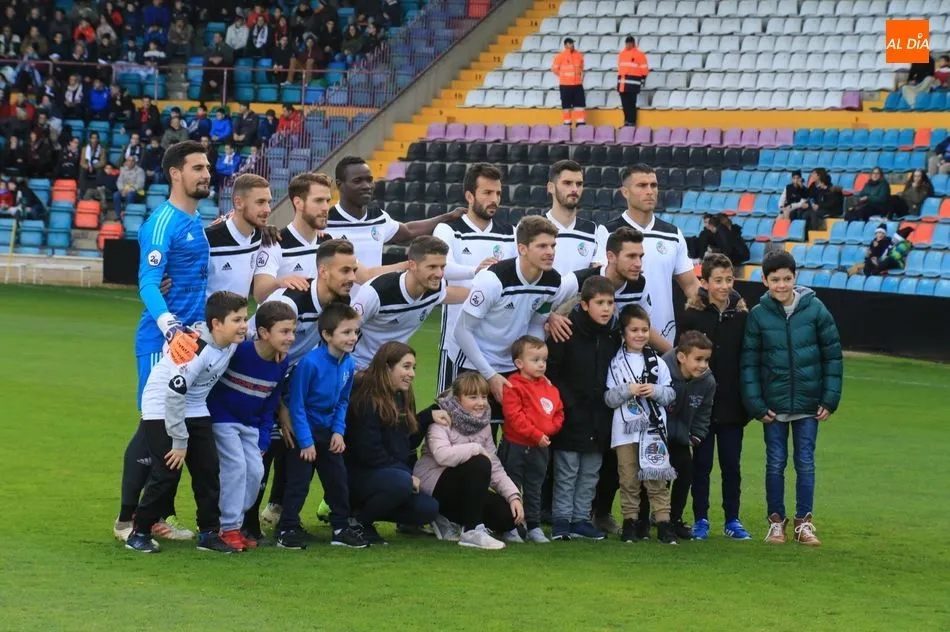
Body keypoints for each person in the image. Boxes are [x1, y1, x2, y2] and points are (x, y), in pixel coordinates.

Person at [114, 141, 212, 543]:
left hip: (192, 342)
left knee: (173, 429)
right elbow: (148, 283)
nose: (206, 174)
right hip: (162, 339)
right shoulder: (161, 222)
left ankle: (154, 516)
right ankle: (126, 521)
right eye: (197, 168)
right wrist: (170, 326)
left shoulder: (197, 221)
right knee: (153, 428)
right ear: (175, 173)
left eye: (207, 168)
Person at [247, 238, 359, 536]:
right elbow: (249, 341)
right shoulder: (290, 301)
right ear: (323, 272)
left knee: (291, 447)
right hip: (256, 383)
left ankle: (279, 514)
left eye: (354, 270)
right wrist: (278, 404)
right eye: (345, 270)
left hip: (288, 387)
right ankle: (245, 526)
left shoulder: (339, 305)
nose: (352, 278)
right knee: (264, 450)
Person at [124, 291, 249, 553]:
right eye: (237, 320)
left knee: (208, 470)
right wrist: (180, 442)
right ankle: (139, 532)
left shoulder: (233, 340)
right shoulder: (195, 349)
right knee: (167, 472)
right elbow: (173, 394)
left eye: (245, 319)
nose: (244, 326)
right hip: (161, 406)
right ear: (216, 324)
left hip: (194, 406)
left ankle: (208, 534)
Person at [741, 251, 843, 546]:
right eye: (775, 279)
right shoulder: (759, 316)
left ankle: (804, 523)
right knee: (775, 463)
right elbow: (749, 364)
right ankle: (776, 522)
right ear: (764, 280)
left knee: (806, 463)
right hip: (773, 407)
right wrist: (756, 404)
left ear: (795, 277)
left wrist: (829, 399)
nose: (782, 285)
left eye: (787, 278)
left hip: (809, 405)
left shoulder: (816, 310)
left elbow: (832, 356)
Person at [447, 215, 575, 417]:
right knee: (469, 434)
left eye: (553, 246)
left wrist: (530, 362)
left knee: (513, 433)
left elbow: (536, 323)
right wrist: (490, 375)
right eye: (542, 246)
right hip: (473, 364)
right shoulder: (493, 279)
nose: (550, 252)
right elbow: (461, 330)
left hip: (511, 365)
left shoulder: (552, 282)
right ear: (522, 249)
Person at [276, 302, 369, 549]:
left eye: (355, 332)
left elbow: (343, 400)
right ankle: (287, 529)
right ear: (327, 335)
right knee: (298, 483)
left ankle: (340, 528)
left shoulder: (349, 363)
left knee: (338, 481)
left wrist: (338, 431)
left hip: (328, 432)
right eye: (346, 332)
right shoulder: (310, 363)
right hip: (303, 432)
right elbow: (296, 405)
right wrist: (305, 442)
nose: (353, 338)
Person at [208, 301, 295, 551]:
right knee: (235, 468)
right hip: (223, 420)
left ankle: (233, 523)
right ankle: (228, 528)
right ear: (264, 333)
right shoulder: (238, 352)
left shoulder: (281, 363)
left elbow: (270, 404)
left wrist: (264, 439)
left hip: (251, 427)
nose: (291, 338)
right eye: (284, 332)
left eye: (292, 331)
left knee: (256, 473)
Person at [678, 253, 752, 541]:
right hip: (701, 408)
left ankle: (732, 519)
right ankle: (701, 519)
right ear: (704, 282)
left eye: (728, 280)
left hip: (733, 406)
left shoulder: (742, 315)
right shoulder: (692, 315)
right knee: (702, 465)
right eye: (717, 280)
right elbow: (682, 357)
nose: (724, 286)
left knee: (732, 465)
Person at [545, 276, 621, 540]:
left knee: (590, 471)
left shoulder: (614, 334)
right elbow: (552, 371)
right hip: (570, 413)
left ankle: (580, 520)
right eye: (599, 302)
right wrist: (569, 403)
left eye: (610, 302)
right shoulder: (565, 330)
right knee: (567, 470)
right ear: (585, 304)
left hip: (600, 414)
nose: (606, 308)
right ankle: (561, 521)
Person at [345, 342, 441, 545]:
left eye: (413, 367)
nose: (412, 373)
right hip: (358, 475)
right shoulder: (365, 397)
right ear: (387, 367)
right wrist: (405, 475)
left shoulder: (401, 395)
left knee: (428, 508)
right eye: (406, 367)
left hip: (385, 474)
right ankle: (359, 523)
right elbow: (369, 452)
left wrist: (427, 417)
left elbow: (406, 443)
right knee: (401, 483)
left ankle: (361, 513)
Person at [414, 372, 524, 550]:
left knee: (508, 517)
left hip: (466, 486)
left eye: (483, 396)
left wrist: (513, 496)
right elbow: (442, 455)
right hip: (434, 482)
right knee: (479, 462)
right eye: (473, 397)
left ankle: (450, 518)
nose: (480, 403)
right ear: (458, 399)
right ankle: (472, 530)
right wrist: (476, 449)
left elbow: (494, 465)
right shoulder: (442, 418)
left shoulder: (483, 423)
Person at [434, 163, 516, 392]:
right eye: (487, 193)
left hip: (499, 349)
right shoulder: (448, 229)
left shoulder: (510, 233)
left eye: (498, 193)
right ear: (469, 195)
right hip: (456, 346)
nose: (494, 199)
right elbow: (442, 267)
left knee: (497, 422)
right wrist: (474, 271)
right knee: (450, 417)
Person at [328, 156, 464, 290]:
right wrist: (410, 265)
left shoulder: (379, 217)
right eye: (358, 181)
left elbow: (408, 231)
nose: (366, 186)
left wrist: (447, 217)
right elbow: (364, 276)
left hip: (371, 304)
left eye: (369, 180)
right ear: (340, 185)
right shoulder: (326, 224)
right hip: (338, 308)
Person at [604, 164, 700, 351]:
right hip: (621, 339)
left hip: (664, 338)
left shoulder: (672, 234)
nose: (650, 191)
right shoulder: (607, 232)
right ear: (625, 192)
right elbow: (601, 284)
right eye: (642, 186)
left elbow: (690, 285)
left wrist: (713, 309)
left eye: (653, 185)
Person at [605, 304, 679, 544]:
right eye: (634, 330)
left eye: (644, 329)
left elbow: (671, 395)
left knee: (656, 478)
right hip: (625, 433)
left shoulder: (658, 362)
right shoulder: (614, 363)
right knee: (628, 479)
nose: (640, 334)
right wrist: (629, 390)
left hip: (653, 430)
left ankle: (664, 523)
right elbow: (608, 398)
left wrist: (655, 391)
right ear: (623, 333)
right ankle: (630, 523)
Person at [351, 236, 469, 370]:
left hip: (392, 371)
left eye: (442, 267)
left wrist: (487, 292)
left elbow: (451, 294)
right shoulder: (377, 292)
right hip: (358, 368)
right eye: (432, 267)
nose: (439, 273)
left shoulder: (434, 289)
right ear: (412, 265)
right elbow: (344, 328)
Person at [499, 335, 563, 543]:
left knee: (535, 487)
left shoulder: (549, 387)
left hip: (540, 447)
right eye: (535, 360)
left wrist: (549, 430)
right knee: (512, 487)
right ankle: (511, 527)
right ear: (519, 363)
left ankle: (534, 526)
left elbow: (558, 412)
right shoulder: (513, 386)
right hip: (516, 446)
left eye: (544, 360)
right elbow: (515, 417)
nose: (541, 365)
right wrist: (537, 435)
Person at [660, 331, 715, 541]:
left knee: (685, 474)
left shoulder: (707, 381)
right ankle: (651, 518)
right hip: (658, 435)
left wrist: (696, 437)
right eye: (698, 359)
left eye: (706, 360)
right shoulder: (662, 369)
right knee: (657, 477)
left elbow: (705, 411)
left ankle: (674, 519)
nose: (703, 365)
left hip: (682, 437)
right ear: (682, 357)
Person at [205, 173, 271, 298]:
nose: (268, 209)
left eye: (268, 202)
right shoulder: (208, 239)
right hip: (206, 317)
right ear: (239, 203)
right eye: (260, 202)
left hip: (241, 317)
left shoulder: (261, 236)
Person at [545, 160, 608, 275]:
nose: (574, 189)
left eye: (579, 184)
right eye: (567, 183)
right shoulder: (533, 228)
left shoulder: (592, 230)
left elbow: (596, 274)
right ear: (551, 187)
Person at [551, 37, 585, 127]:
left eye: (573, 43)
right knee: (566, 107)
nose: (572, 45)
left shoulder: (579, 55)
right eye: (570, 43)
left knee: (580, 105)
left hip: (577, 85)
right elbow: (554, 69)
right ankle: (567, 124)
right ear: (566, 45)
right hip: (565, 85)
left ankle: (580, 123)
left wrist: (581, 78)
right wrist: (563, 76)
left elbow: (581, 68)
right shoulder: (560, 56)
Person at [616, 36, 648, 127]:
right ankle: (626, 122)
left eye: (630, 43)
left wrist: (642, 80)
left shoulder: (639, 54)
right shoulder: (621, 54)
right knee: (625, 105)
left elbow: (644, 69)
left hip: (633, 84)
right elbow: (620, 68)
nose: (628, 45)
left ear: (633, 43)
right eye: (627, 43)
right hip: (622, 84)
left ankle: (632, 122)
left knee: (631, 104)